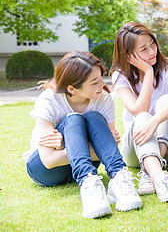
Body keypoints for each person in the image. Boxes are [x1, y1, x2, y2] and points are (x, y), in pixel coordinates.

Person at [24, 51, 142, 219]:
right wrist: (98, 144)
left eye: (101, 77)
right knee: (73, 119)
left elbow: (110, 151)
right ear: (71, 88)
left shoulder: (103, 99)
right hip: (46, 171)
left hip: (84, 165)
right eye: (95, 82)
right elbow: (49, 160)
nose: (102, 84)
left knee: (93, 116)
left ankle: (119, 177)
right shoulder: (49, 100)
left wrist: (66, 145)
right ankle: (88, 182)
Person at [110, 22, 168, 202]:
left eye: (152, 43)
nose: (152, 51)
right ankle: (160, 179)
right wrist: (148, 72)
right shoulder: (120, 75)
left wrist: (154, 122)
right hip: (135, 150)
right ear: (129, 55)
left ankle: (150, 170)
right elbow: (139, 110)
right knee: (143, 117)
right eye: (143, 49)